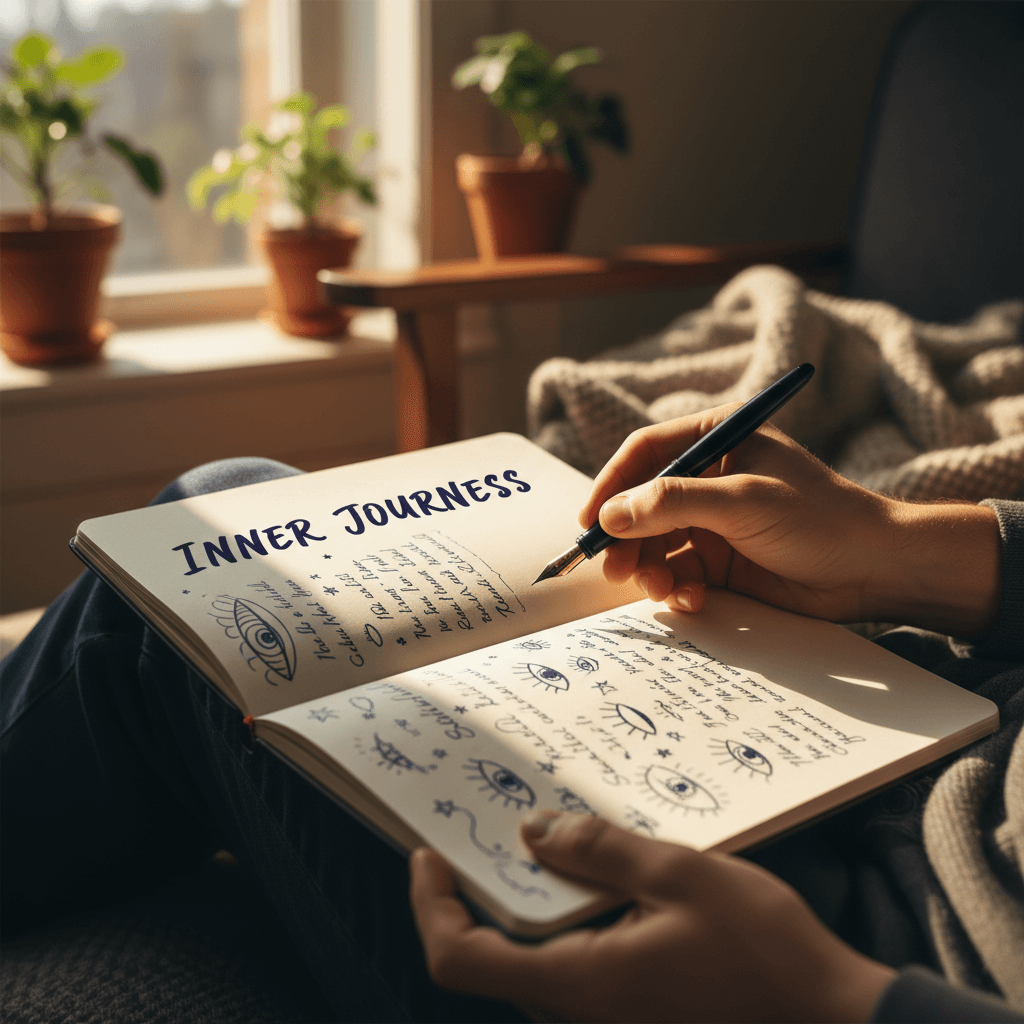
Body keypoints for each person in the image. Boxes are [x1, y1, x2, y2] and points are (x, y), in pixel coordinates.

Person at [2, 409, 1022, 1022]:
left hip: (831, 954)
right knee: (237, 516)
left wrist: (834, 1003)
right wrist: (905, 548)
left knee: (176, 587)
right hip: (924, 723)